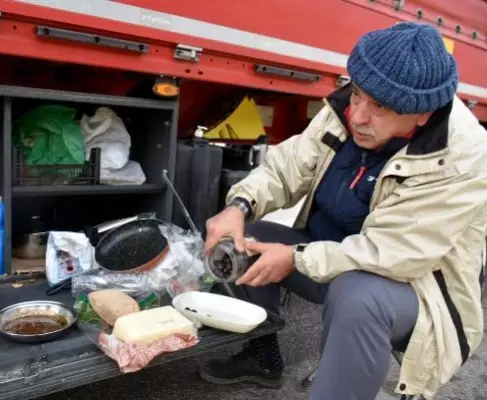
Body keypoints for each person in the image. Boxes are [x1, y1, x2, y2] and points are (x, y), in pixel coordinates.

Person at [199, 22, 487, 400]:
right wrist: (239, 205)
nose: (359, 116)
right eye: (357, 95)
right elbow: (286, 166)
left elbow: (394, 254)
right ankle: (263, 357)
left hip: (416, 291)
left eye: (379, 106)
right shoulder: (346, 112)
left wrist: (295, 258)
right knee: (255, 238)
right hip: (326, 257)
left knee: (358, 296)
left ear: (423, 113)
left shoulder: (463, 157)